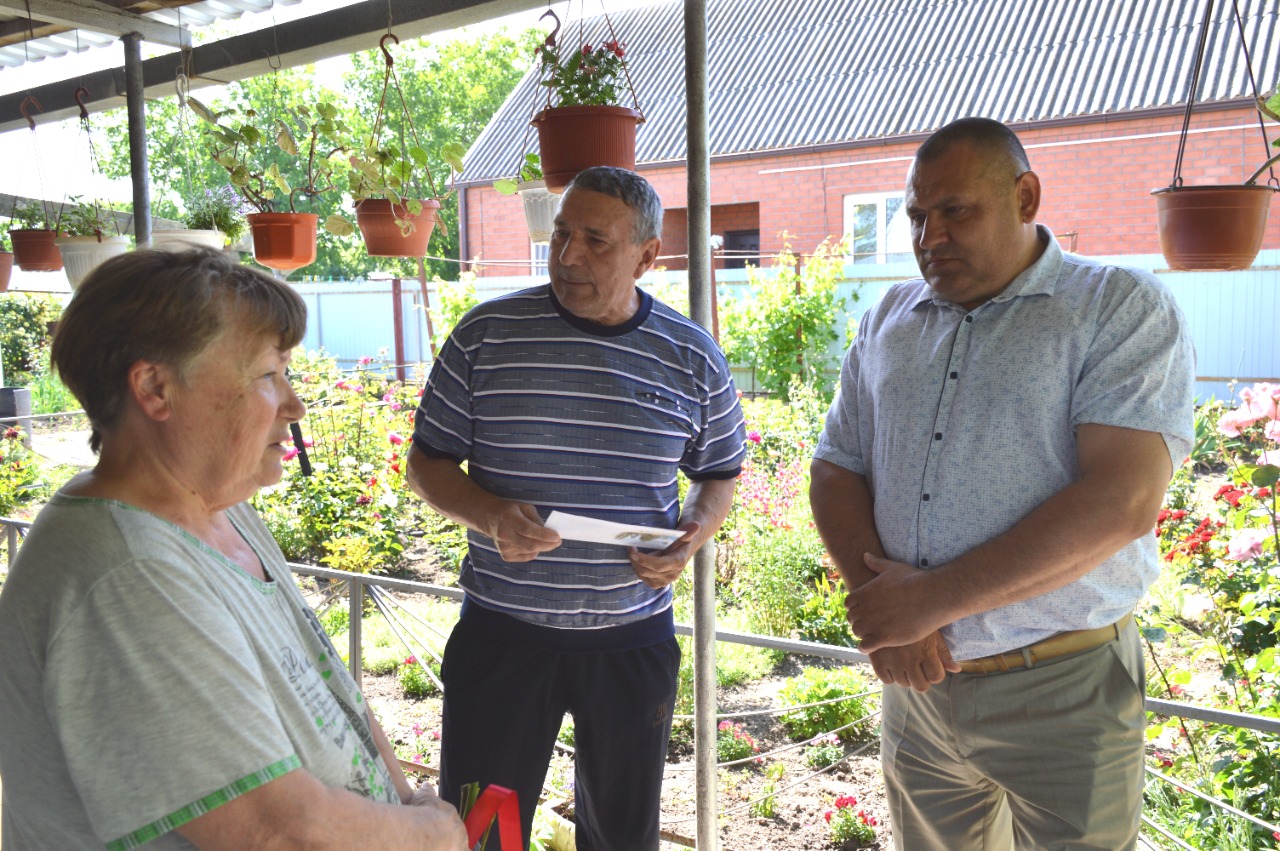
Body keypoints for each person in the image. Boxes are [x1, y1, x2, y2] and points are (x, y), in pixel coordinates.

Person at [810, 117, 1195, 850]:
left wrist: (926, 603)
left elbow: (1123, 501)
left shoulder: (1116, 308)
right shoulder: (889, 318)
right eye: (918, 216)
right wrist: (891, 613)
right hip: (918, 690)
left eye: (956, 210)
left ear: (1025, 197)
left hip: (1064, 685)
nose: (930, 236)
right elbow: (835, 466)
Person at [0, 248, 467, 851]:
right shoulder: (127, 575)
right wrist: (429, 837)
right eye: (268, 375)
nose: (295, 404)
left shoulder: (220, 508)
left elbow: (332, 692)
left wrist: (404, 804)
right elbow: (274, 831)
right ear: (155, 388)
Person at [407, 166, 745, 850]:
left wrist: (692, 535)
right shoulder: (486, 336)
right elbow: (426, 464)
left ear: (648, 256)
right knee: (483, 834)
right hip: (503, 638)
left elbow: (720, 473)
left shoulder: (691, 356)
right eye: (562, 234)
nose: (567, 255)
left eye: (596, 240)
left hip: (631, 644)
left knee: (621, 835)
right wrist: (492, 514)